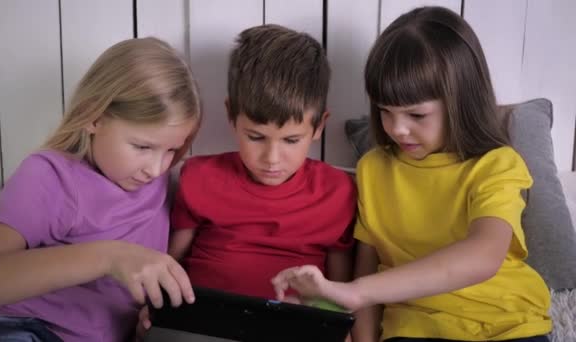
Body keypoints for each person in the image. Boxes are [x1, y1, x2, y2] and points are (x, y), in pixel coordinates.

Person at [272, 6, 552, 342]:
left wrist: (358, 291)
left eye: (416, 115)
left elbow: (484, 255)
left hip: (507, 325)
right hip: (414, 329)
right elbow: (367, 267)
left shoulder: (496, 165)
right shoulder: (374, 169)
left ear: (460, 101)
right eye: (385, 112)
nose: (398, 129)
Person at [0, 37, 201, 342]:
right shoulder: (49, 175)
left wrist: (150, 321)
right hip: (21, 325)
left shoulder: (162, 184)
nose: (156, 168)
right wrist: (109, 257)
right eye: (142, 146)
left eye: (171, 149)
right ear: (94, 116)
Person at [168, 24, 356, 300]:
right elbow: (169, 264)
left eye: (291, 140)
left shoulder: (336, 192)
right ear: (231, 115)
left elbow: (340, 296)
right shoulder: (199, 177)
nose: (271, 159)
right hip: (205, 322)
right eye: (256, 137)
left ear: (319, 126)